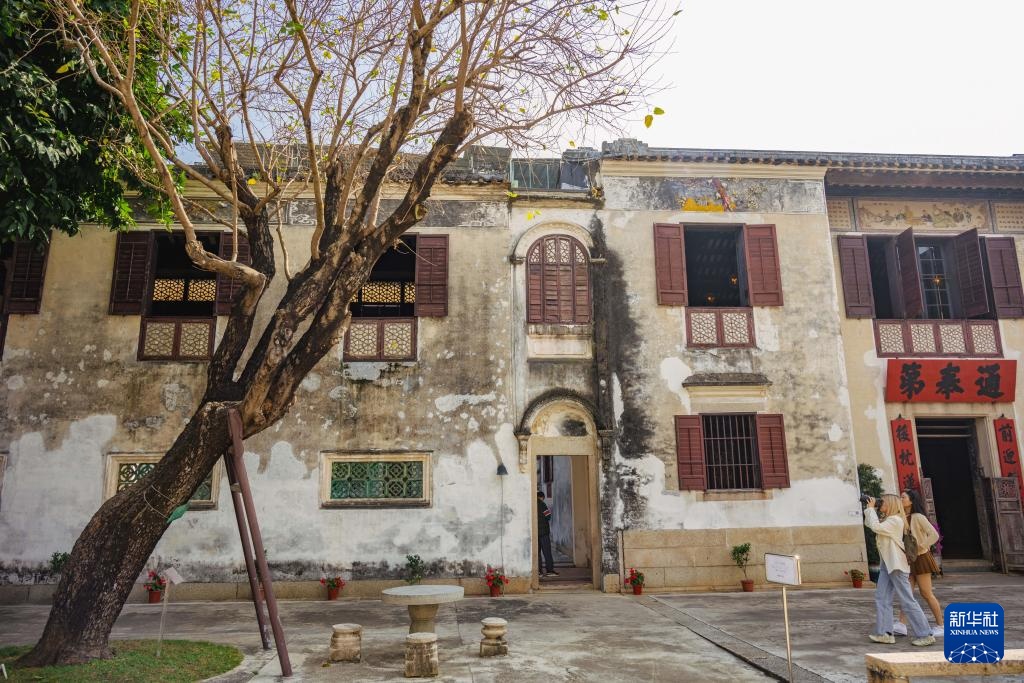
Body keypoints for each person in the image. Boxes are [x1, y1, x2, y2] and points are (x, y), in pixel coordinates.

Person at [863, 494, 935, 646]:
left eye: (883, 502)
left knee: (907, 600)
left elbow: (875, 527)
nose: (880, 504)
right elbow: (870, 524)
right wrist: (869, 509)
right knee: (882, 598)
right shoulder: (888, 520)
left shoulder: (895, 520)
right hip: (887, 564)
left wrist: (870, 509)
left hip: (896, 565)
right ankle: (885, 633)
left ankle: (926, 634)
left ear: (890, 505)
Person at [893, 488, 943, 637]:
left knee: (926, 593)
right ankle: (901, 624)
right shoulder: (901, 517)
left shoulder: (918, 517)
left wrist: (921, 546)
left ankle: (941, 625)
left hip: (921, 558)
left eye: (903, 497)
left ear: (911, 501)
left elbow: (934, 535)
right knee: (906, 594)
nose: (901, 500)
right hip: (908, 560)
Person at [537, 491, 558, 577]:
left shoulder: (532, 504)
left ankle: (539, 572)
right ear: (542, 497)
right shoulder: (542, 504)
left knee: (537, 553)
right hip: (544, 533)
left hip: (536, 533)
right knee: (547, 552)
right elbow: (548, 516)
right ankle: (549, 570)